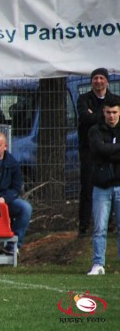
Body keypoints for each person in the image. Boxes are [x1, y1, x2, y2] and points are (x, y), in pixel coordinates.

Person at [77, 68, 116, 237]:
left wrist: (96, 115)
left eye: (101, 78)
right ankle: (84, 226)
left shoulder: (114, 99)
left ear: (107, 81)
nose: (98, 81)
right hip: (88, 149)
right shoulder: (83, 99)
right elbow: (85, 118)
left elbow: (111, 122)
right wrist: (104, 116)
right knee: (87, 186)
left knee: (112, 185)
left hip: (111, 150)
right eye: (95, 78)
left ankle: (109, 224)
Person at [85, 96, 120, 276]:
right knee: (100, 228)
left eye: (114, 112)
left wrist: (108, 151)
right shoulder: (95, 130)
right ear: (103, 112)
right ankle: (98, 263)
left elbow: (105, 151)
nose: (111, 116)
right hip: (101, 186)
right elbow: (99, 150)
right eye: (108, 112)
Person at [0, 131, 32, 256]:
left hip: (5, 202)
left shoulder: (13, 164)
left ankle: (13, 246)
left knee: (25, 208)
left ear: (5, 147)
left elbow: (16, 188)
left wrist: (4, 198)